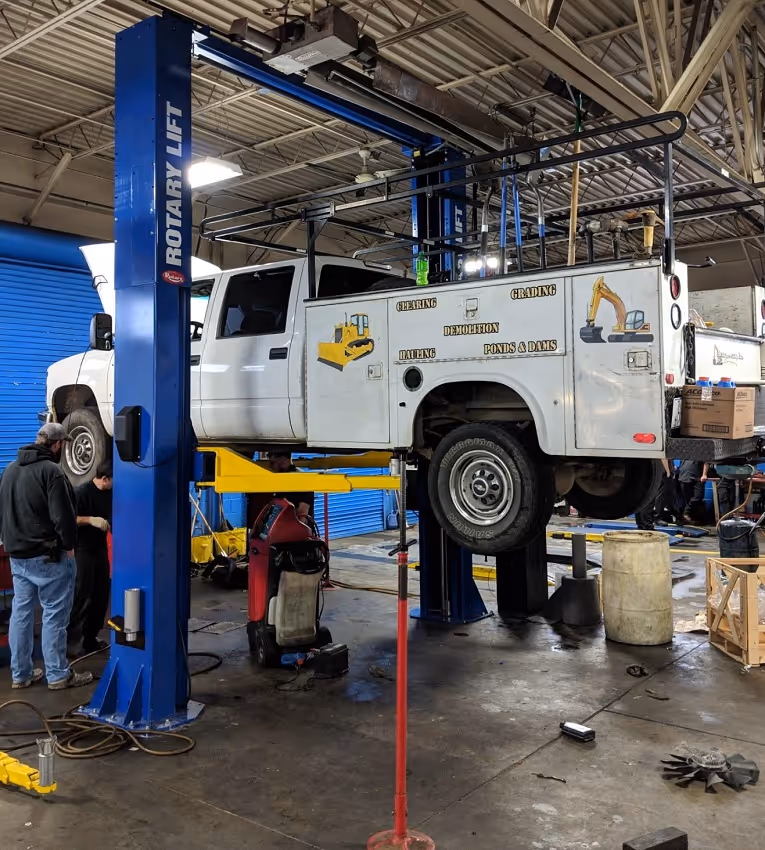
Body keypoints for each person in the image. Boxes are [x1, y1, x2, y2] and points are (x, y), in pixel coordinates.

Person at [0, 423, 93, 690]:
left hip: (18, 556)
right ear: (57, 444)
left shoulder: (9, 469)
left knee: (21, 613)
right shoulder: (52, 472)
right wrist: (69, 544)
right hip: (49, 556)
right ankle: (57, 675)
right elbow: (63, 515)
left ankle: (21, 674)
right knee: (54, 615)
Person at [68, 461, 113, 655]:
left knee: (101, 594)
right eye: (113, 481)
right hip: (83, 550)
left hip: (99, 548)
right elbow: (69, 518)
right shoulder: (82, 493)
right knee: (82, 595)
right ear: (105, 479)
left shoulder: (111, 494)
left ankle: (90, 638)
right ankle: (72, 642)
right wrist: (90, 520)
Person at [245, 451, 315, 530]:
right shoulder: (282, 480)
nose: (270, 467)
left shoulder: (302, 480)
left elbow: (302, 515)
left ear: (282, 460)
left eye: (272, 463)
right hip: (281, 532)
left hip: (295, 534)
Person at [678, 460, 709, 524]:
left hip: (698, 478)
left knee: (698, 496)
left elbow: (706, 462)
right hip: (684, 476)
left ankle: (686, 512)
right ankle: (690, 519)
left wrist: (704, 474)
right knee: (688, 499)